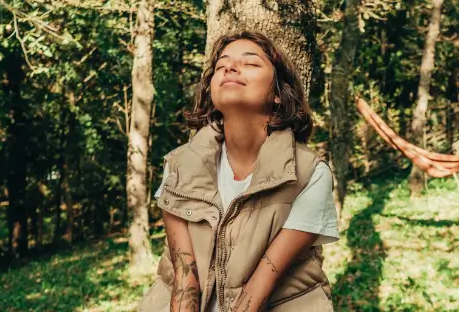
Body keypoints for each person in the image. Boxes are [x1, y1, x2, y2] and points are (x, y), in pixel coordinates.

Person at [137, 31, 340, 312]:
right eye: (222, 66)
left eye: (251, 63)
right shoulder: (178, 166)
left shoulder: (309, 174)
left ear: (279, 95)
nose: (230, 68)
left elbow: (257, 293)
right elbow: (186, 285)